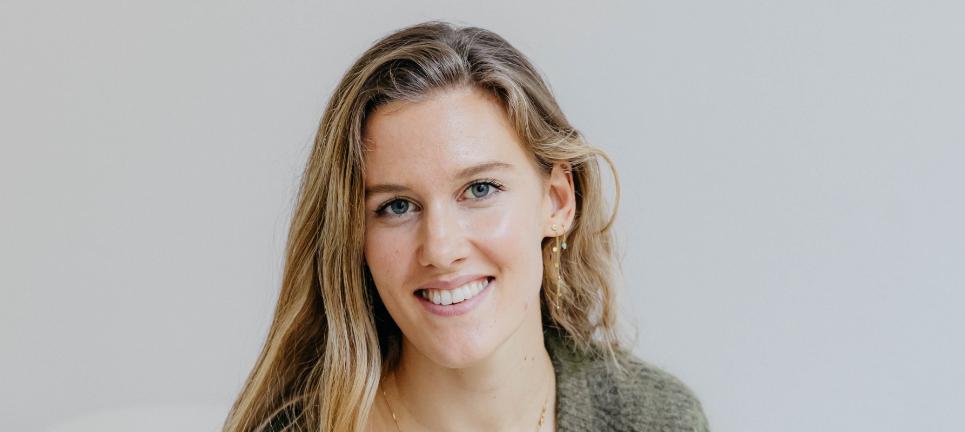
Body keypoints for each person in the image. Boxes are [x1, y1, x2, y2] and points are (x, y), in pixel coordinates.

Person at [222, 20, 709, 432]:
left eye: (479, 189)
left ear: (558, 201)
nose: (440, 248)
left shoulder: (653, 418)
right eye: (397, 206)